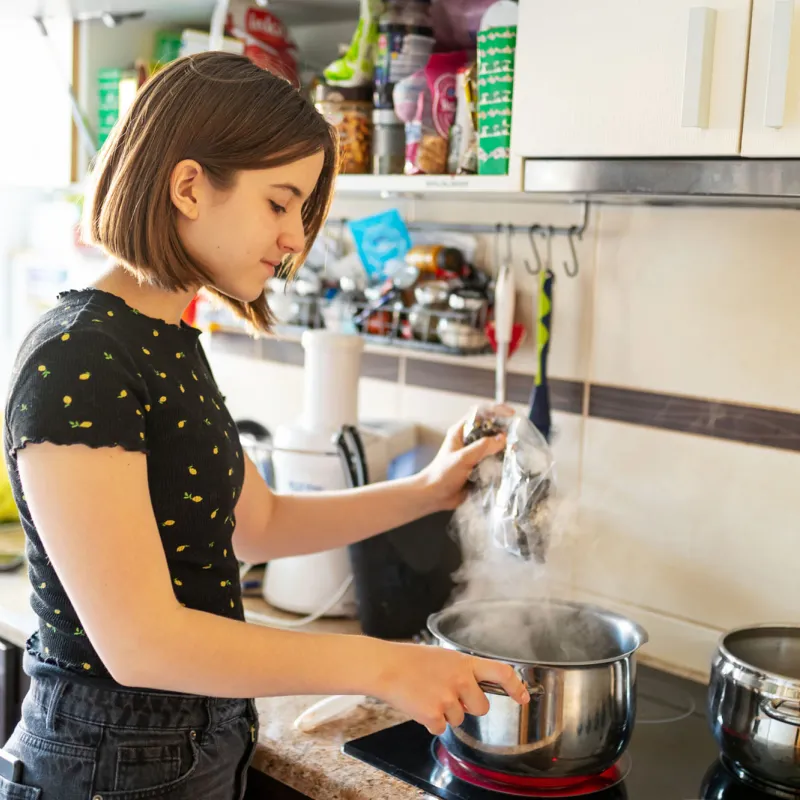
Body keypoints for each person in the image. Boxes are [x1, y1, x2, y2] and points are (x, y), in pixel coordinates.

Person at [0, 52, 528, 800]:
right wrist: (385, 665)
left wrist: (427, 491)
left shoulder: (166, 340)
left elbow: (259, 522)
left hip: (188, 742)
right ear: (189, 186)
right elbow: (141, 643)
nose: (294, 239)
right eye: (280, 204)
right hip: (105, 759)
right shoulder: (80, 355)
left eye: (302, 212)